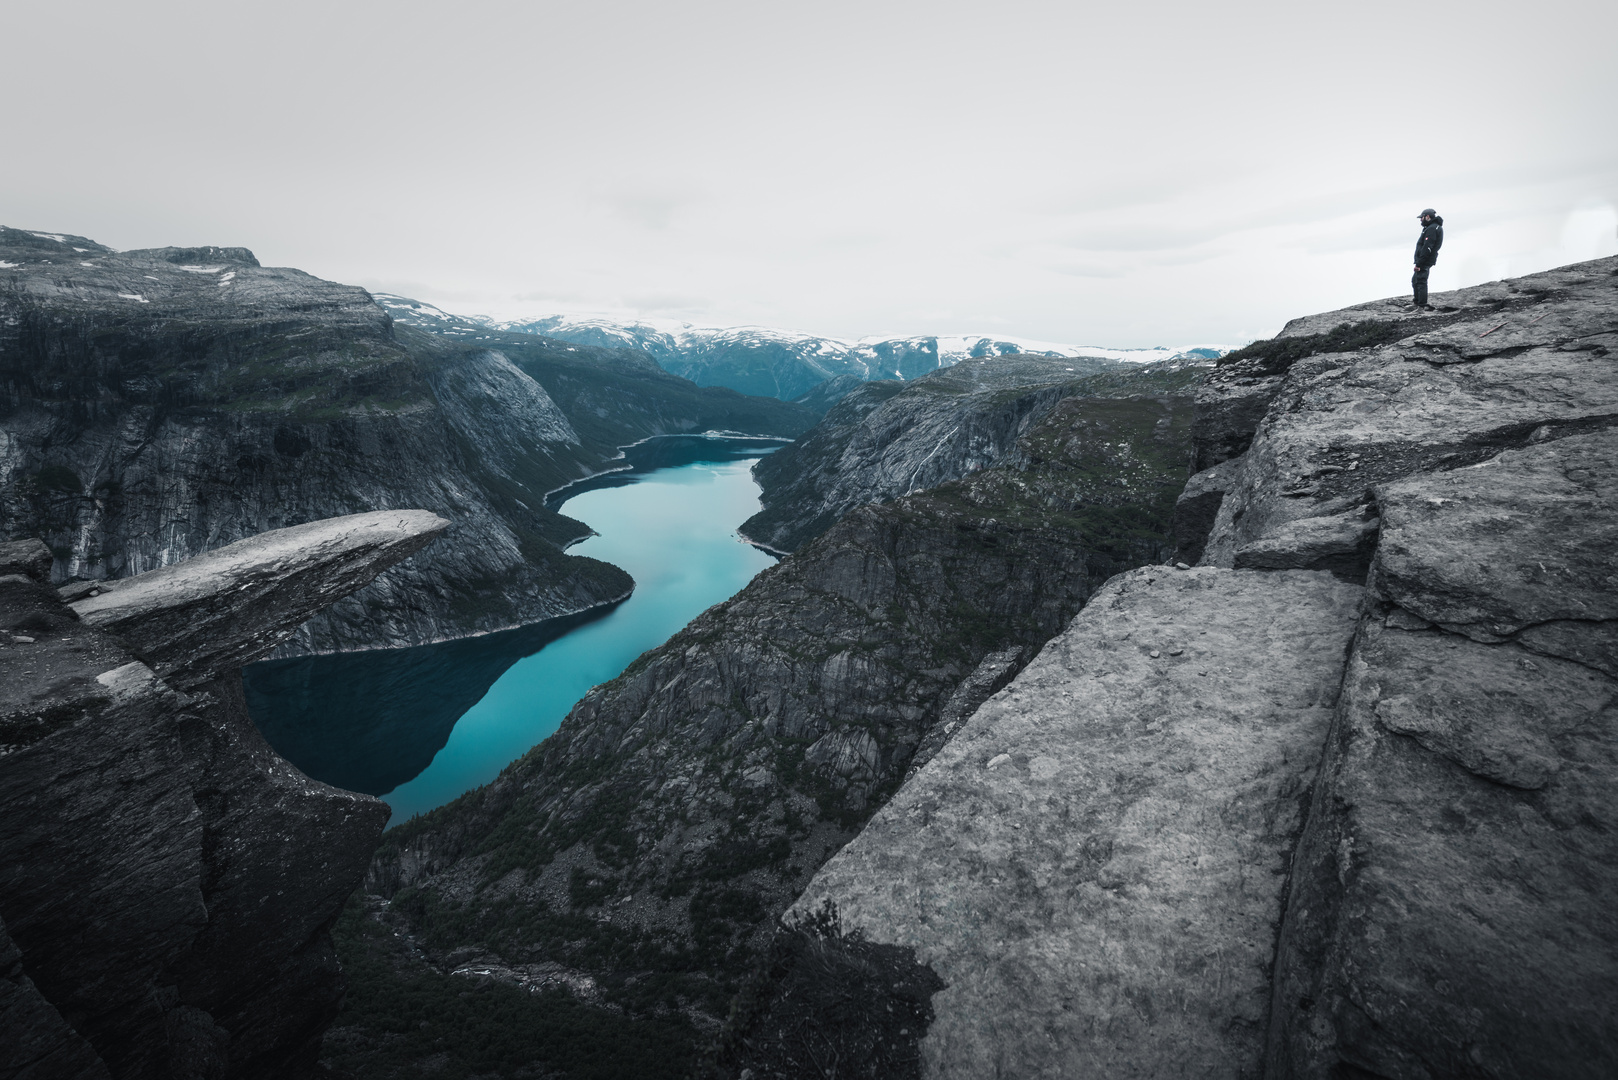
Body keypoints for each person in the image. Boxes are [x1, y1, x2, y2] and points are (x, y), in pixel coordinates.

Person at [1412, 208, 1444, 310]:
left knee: (1420, 281)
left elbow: (1427, 247)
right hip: (1424, 260)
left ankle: (1421, 306)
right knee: (1415, 280)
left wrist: (1419, 263)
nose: (1421, 220)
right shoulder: (1432, 227)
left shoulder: (1432, 228)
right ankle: (1418, 303)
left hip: (1425, 260)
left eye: (1422, 218)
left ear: (1427, 217)